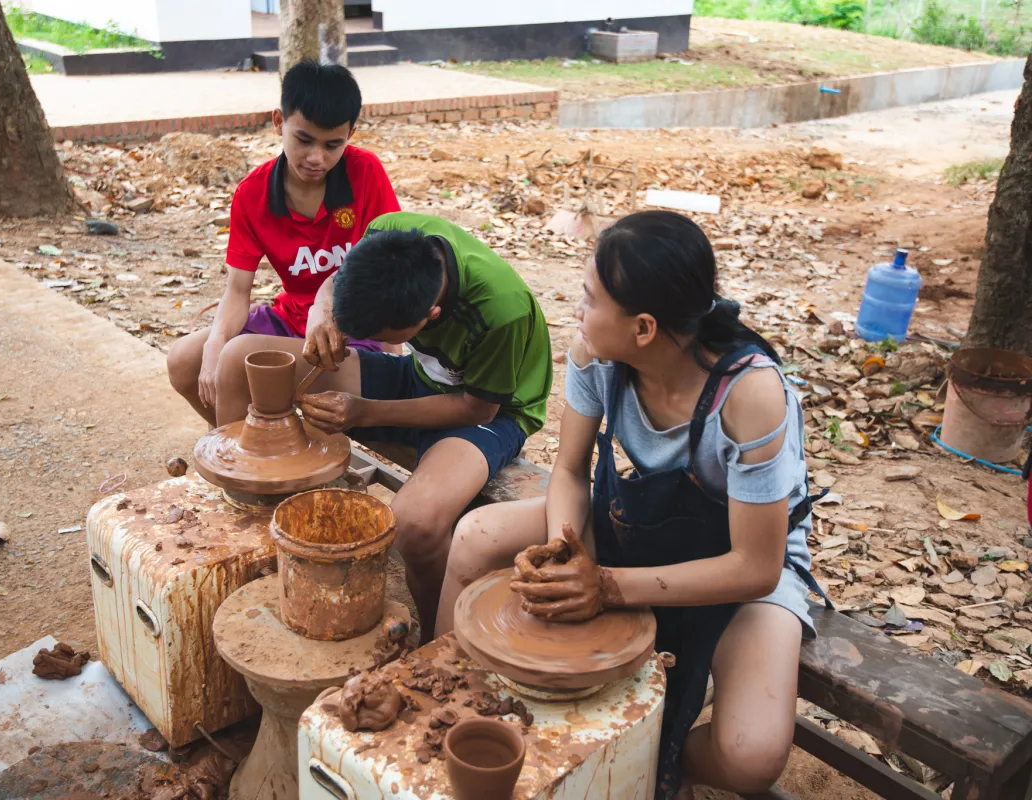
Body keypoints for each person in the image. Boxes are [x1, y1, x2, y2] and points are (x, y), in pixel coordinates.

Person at [442, 211, 830, 799]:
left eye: (589, 298)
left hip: (743, 555)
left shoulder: (749, 395)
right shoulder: (596, 353)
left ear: (644, 328)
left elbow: (756, 565)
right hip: (642, 520)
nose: (577, 310)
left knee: (751, 755)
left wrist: (608, 586)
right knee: (474, 535)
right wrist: (569, 550)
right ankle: (448, 696)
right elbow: (570, 470)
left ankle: (655, 759)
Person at [215, 211, 553, 639]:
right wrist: (323, 315)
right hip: (418, 375)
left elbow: (475, 409)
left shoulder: (501, 311)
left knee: (414, 523)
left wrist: (364, 412)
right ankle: (243, 544)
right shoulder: (388, 234)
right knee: (237, 358)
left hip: (491, 412)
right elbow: (334, 282)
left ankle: (436, 640)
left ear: (431, 315)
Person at [167, 60, 400, 426]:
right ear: (279, 122)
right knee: (184, 360)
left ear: (351, 133)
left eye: (332, 145)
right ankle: (257, 453)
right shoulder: (252, 194)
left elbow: (391, 269)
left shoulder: (365, 173)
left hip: (357, 338)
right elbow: (238, 291)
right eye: (304, 139)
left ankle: (255, 467)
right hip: (288, 322)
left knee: (237, 357)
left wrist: (395, 362)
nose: (316, 158)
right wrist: (213, 345)